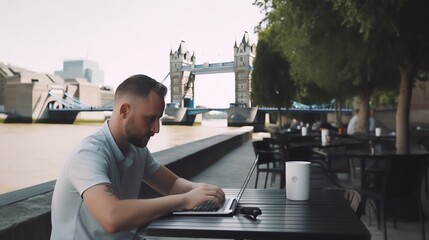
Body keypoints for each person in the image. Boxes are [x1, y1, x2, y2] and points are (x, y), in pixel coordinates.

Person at [50, 74, 225, 240]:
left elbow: (172, 185)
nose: (156, 128)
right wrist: (185, 200)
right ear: (124, 110)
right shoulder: (88, 154)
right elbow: (112, 217)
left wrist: (204, 191)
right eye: (150, 119)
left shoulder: (136, 149)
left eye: (159, 119)